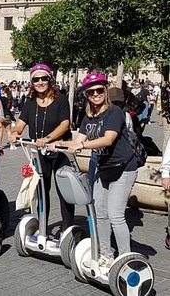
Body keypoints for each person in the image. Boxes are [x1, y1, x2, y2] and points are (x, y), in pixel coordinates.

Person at [50, 72, 138, 265]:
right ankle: (107, 255)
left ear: (105, 91)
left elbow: (108, 139)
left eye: (99, 90)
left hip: (123, 168)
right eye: (91, 92)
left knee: (115, 215)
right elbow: (77, 140)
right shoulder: (88, 116)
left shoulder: (114, 112)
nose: (96, 94)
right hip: (104, 167)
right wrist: (57, 143)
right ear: (87, 95)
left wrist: (80, 146)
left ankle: (126, 258)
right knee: (99, 212)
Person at [9, 64, 74, 234]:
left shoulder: (61, 99)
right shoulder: (30, 102)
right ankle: (42, 227)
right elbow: (21, 124)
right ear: (31, 82)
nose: (40, 82)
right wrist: (15, 133)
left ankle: (67, 229)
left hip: (58, 151)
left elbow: (65, 124)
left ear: (50, 79)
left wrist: (47, 138)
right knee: (41, 192)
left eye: (43, 78)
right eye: (36, 79)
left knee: (64, 192)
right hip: (39, 155)